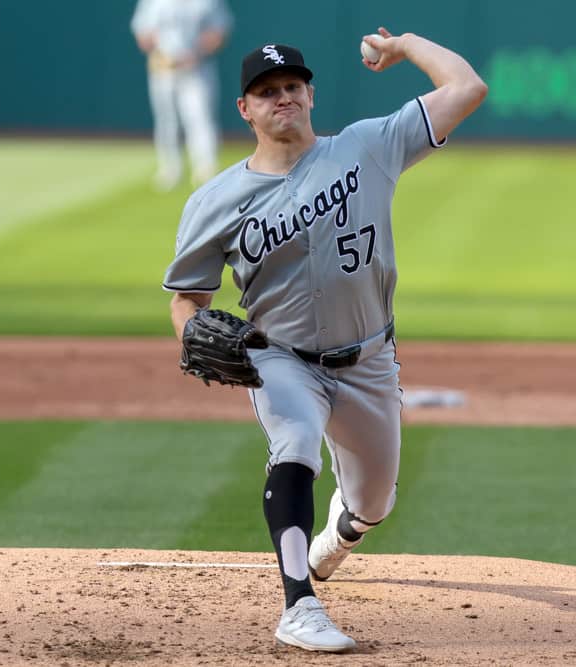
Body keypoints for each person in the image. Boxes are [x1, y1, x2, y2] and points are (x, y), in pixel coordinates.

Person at [163, 29, 487, 653]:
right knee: (295, 444)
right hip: (279, 357)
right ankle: (298, 605)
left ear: (310, 94)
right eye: (266, 91)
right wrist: (192, 333)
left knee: (375, 502)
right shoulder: (214, 202)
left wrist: (407, 45)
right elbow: (187, 300)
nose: (280, 97)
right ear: (245, 109)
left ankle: (339, 534)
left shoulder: (368, 147)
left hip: (368, 359)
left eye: (291, 86)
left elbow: (466, 88)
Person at [130, 0, 233, 190]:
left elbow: (218, 31)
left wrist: (195, 53)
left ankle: (206, 167)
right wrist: (161, 53)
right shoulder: (153, 3)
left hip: (197, 68)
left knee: (200, 117)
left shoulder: (207, 3)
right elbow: (143, 32)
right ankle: (170, 169)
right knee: (166, 119)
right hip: (163, 70)